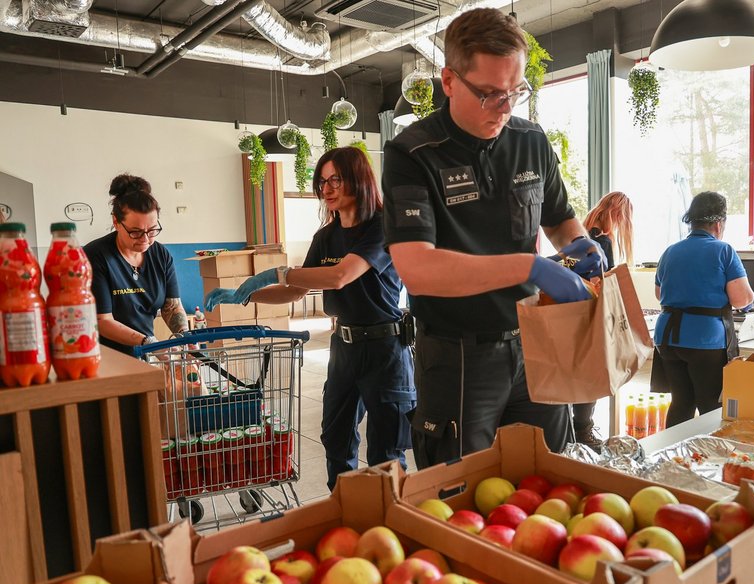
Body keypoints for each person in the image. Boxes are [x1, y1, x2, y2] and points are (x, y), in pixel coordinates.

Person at [381, 7, 605, 469]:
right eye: (488, 95)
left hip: (536, 342)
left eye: (514, 93)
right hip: (459, 354)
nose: (504, 108)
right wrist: (528, 267)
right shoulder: (412, 153)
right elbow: (418, 270)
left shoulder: (530, 141)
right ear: (448, 81)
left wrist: (579, 243)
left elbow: (560, 218)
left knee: (550, 474)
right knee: (461, 493)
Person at [205, 147, 414, 491]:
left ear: (359, 180)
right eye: (322, 181)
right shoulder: (325, 236)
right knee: (336, 438)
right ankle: (342, 511)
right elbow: (294, 291)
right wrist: (246, 295)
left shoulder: (382, 227)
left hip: (385, 349)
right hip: (344, 349)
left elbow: (339, 277)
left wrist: (281, 271)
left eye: (336, 179)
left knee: (386, 449)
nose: (327, 188)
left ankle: (392, 518)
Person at [651, 191, 754, 427]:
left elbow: (659, 294)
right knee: (710, 405)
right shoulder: (723, 251)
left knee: (681, 402)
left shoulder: (670, 251)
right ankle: (709, 459)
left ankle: (672, 457)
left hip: (668, 339)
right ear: (719, 223)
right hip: (705, 340)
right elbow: (741, 299)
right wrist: (749, 298)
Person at [85, 174, 188, 355]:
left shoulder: (161, 255)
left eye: (152, 230)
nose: (146, 239)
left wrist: (186, 336)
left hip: (144, 353)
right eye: (136, 232)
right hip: (105, 357)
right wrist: (149, 343)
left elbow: (171, 307)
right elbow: (102, 320)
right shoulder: (95, 256)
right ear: (116, 222)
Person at [569, 191, 634, 446]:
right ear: (618, 215)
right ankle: (583, 431)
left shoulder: (581, 237)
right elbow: (604, 284)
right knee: (593, 376)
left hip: (572, 314)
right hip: (591, 316)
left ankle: (575, 429)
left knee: (578, 374)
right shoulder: (602, 243)